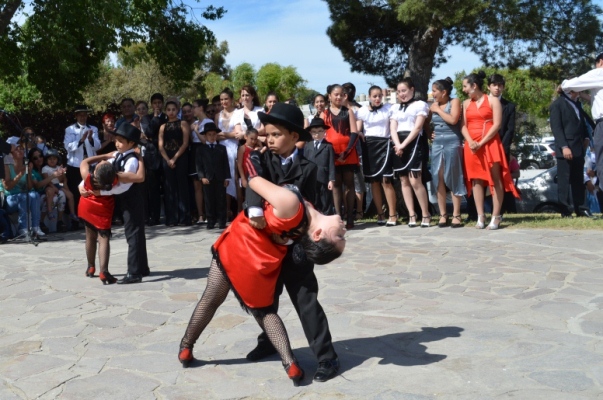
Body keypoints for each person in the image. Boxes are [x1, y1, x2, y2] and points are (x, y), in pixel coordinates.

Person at [178, 154, 346, 385]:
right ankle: (290, 363)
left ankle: (186, 346)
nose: (344, 230)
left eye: (340, 237)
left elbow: (254, 179)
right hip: (261, 258)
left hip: (239, 245)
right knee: (264, 311)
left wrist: (254, 206)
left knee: (211, 298)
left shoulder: (292, 204)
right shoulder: (303, 225)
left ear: (317, 235)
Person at [244, 103, 341, 383]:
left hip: (297, 247)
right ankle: (268, 341)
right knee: (266, 298)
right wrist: (257, 215)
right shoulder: (263, 162)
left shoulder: (310, 168)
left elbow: (315, 210)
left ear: (293, 136)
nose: (269, 140)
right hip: (267, 246)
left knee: (306, 300)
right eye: (267, 135)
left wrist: (295, 236)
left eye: (276, 135)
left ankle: (327, 357)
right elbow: (254, 186)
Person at [461, 71, 519, 229]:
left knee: (495, 178)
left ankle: (496, 215)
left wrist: (481, 142)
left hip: (490, 143)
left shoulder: (492, 100)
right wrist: (470, 141)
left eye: (465, 86)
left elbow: (497, 125)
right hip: (472, 145)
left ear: (474, 86)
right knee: (476, 179)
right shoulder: (466, 103)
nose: (464, 90)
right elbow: (463, 125)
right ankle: (480, 215)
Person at [78, 151, 145, 284]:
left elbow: (84, 162)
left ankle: (90, 267)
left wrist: (103, 156)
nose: (102, 162)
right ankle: (104, 271)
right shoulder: (114, 181)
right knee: (103, 238)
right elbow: (139, 177)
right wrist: (141, 160)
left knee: (90, 236)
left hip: (87, 206)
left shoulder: (88, 177)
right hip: (103, 209)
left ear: (96, 171)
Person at [390, 78, 431, 227]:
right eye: (399, 91)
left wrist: (403, 144)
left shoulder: (420, 105)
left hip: (414, 143)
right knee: (404, 180)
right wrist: (397, 145)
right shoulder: (395, 108)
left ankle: (425, 214)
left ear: (412, 90)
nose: (401, 94)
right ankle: (411, 215)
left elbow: (418, 127)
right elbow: (393, 128)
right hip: (398, 144)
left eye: (404, 91)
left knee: (415, 180)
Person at [561, 53, 603, 193]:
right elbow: (596, 98)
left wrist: (564, 85)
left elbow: (572, 84)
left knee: (602, 162)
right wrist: (581, 95)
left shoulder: (599, 73)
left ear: (600, 62)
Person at [356, 86, 398, 226]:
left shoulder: (389, 108)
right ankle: (380, 214)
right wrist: (359, 132)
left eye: (380, 96)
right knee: (374, 181)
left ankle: (392, 214)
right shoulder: (362, 111)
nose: (377, 98)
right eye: (374, 96)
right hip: (369, 145)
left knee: (386, 180)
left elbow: (393, 126)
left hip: (384, 144)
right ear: (369, 97)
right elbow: (357, 128)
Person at [321, 84, 360, 229]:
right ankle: (338, 217)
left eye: (341, 94)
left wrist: (347, 152)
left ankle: (350, 216)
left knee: (349, 184)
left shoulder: (348, 111)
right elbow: (322, 135)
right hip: (332, 154)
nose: (338, 97)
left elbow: (354, 132)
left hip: (348, 153)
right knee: (336, 185)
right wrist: (334, 154)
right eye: (335, 94)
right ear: (330, 96)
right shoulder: (324, 114)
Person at [429, 77, 466, 228]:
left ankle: (456, 214)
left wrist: (438, 110)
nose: (432, 94)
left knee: (454, 176)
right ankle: (443, 214)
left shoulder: (454, 101)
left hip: (452, 142)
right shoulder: (433, 105)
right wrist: (429, 134)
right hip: (437, 144)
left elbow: (453, 120)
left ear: (444, 92)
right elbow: (425, 123)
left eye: (434, 91)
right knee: (438, 177)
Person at [550, 86, 590, 218]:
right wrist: (564, 146)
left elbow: (582, 122)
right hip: (566, 147)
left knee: (578, 179)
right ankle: (565, 210)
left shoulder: (577, 103)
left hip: (578, 147)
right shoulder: (557, 104)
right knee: (564, 181)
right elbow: (556, 128)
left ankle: (581, 208)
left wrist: (586, 137)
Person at [64, 104, 101, 218]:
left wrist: (90, 139)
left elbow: (98, 146)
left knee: (91, 189)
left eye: (84, 115)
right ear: (76, 116)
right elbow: (68, 146)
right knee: (76, 191)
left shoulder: (93, 129)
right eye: (80, 115)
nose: (82, 117)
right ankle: (76, 216)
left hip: (90, 164)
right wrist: (80, 141)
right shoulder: (70, 129)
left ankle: (91, 216)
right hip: (75, 165)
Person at [159, 101, 191, 226]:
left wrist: (175, 158)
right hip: (166, 157)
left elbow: (185, 143)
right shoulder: (163, 126)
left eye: (173, 109)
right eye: (168, 109)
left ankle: (184, 218)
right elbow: (160, 146)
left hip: (181, 156)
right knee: (169, 187)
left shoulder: (183, 123)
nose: (171, 112)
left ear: (177, 110)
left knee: (182, 186)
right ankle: (171, 218)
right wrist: (168, 159)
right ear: (166, 111)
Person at [3, 144, 43, 237]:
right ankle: (22, 228)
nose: (20, 151)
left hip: (24, 197)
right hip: (10, 199)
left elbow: (29, 187)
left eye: (21, 149)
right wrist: (20, 175)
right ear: (11, 153)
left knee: (35, 195)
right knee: (24, 197)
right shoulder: (7, 166)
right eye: (17, 149)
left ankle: (36, 227)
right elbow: (7, 187)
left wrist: (29, 172)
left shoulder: (26, 165)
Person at [195, 123, 231, 229]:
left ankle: (222, 221)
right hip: (208, 178)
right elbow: (199, 165)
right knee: (209, 199)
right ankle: (210, 220)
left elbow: (225, 163)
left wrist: (227, 177)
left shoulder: (222, 148)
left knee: (221, 199)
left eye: (214, 134)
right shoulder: (201, 149)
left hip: (220, 177)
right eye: (209, 135)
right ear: (205, 136)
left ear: (216, 135)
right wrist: (202, 177)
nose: (212, 137)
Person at [216, 88, 241, 218]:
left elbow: (237, 133)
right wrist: (226, 135)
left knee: (235, 178)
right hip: (220, 149)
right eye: (221, 99)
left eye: (226, 99)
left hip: (234, 148)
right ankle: (226, 210)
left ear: (231, 99)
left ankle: (239, 209)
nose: (224, 102)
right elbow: (215, 135)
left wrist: (224, 134)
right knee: (223, 178)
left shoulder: (237, 113)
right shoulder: (218, 115)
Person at [28, 148, 66, 231]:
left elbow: (60, 181)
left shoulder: (47, 167)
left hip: (49, 190)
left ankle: (59, 221)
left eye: (40, 156)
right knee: (52, 198)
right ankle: (41, 222)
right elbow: (37, 185)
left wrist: (61, 175)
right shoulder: (32, 171)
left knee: (62, 194)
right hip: (38, 194)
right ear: (31, 160)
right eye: (35, 158)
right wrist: (53, 176)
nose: (39, 159)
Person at [303, 118, 336, 214]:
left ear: (324, 132)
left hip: (324, 178)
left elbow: (331, 164)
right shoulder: (308, 146)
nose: (317, 134)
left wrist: (331, 179)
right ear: (310, 133)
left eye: (319, 131)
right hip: (311, 178)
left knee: (325, 200)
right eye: (314, 132)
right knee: (314, 200)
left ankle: (327, 217)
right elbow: (304, 162)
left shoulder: (328, 146)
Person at [145, 93, 167, 226]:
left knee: (168, 186)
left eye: (159, 103)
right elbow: (148, 133)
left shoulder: (167, 116)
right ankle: (154, 216)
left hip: (166, 156)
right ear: (151, 105)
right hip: (152, 157)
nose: (157, 105)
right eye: (155, 103)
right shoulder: (147, 118)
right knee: (153, 188)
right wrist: (155, 118)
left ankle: (171, 216)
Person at [190, 99, 213, 224]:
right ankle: (200, 215)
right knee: (197, 185)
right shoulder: (195, 123)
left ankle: (210, 213)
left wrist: (196, 130)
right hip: (194, 152)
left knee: (207, 184)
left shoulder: (208, 122)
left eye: (194, 107)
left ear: (201, 108)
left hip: (205, 152)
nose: (192, 110)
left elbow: (205, 141)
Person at [42, 149, 78, 223]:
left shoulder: (59, 167)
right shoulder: (45, 168)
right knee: (50, 192)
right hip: (49, 185)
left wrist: (62, 174)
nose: (52, 160)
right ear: (46, 160)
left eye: (54, 159)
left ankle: (72, 213)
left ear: (57, 160)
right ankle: (49, 211)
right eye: (50, 159)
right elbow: (46, 179)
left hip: (58, 185)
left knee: (70, 195)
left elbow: (62, 180)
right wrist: (53, 187)